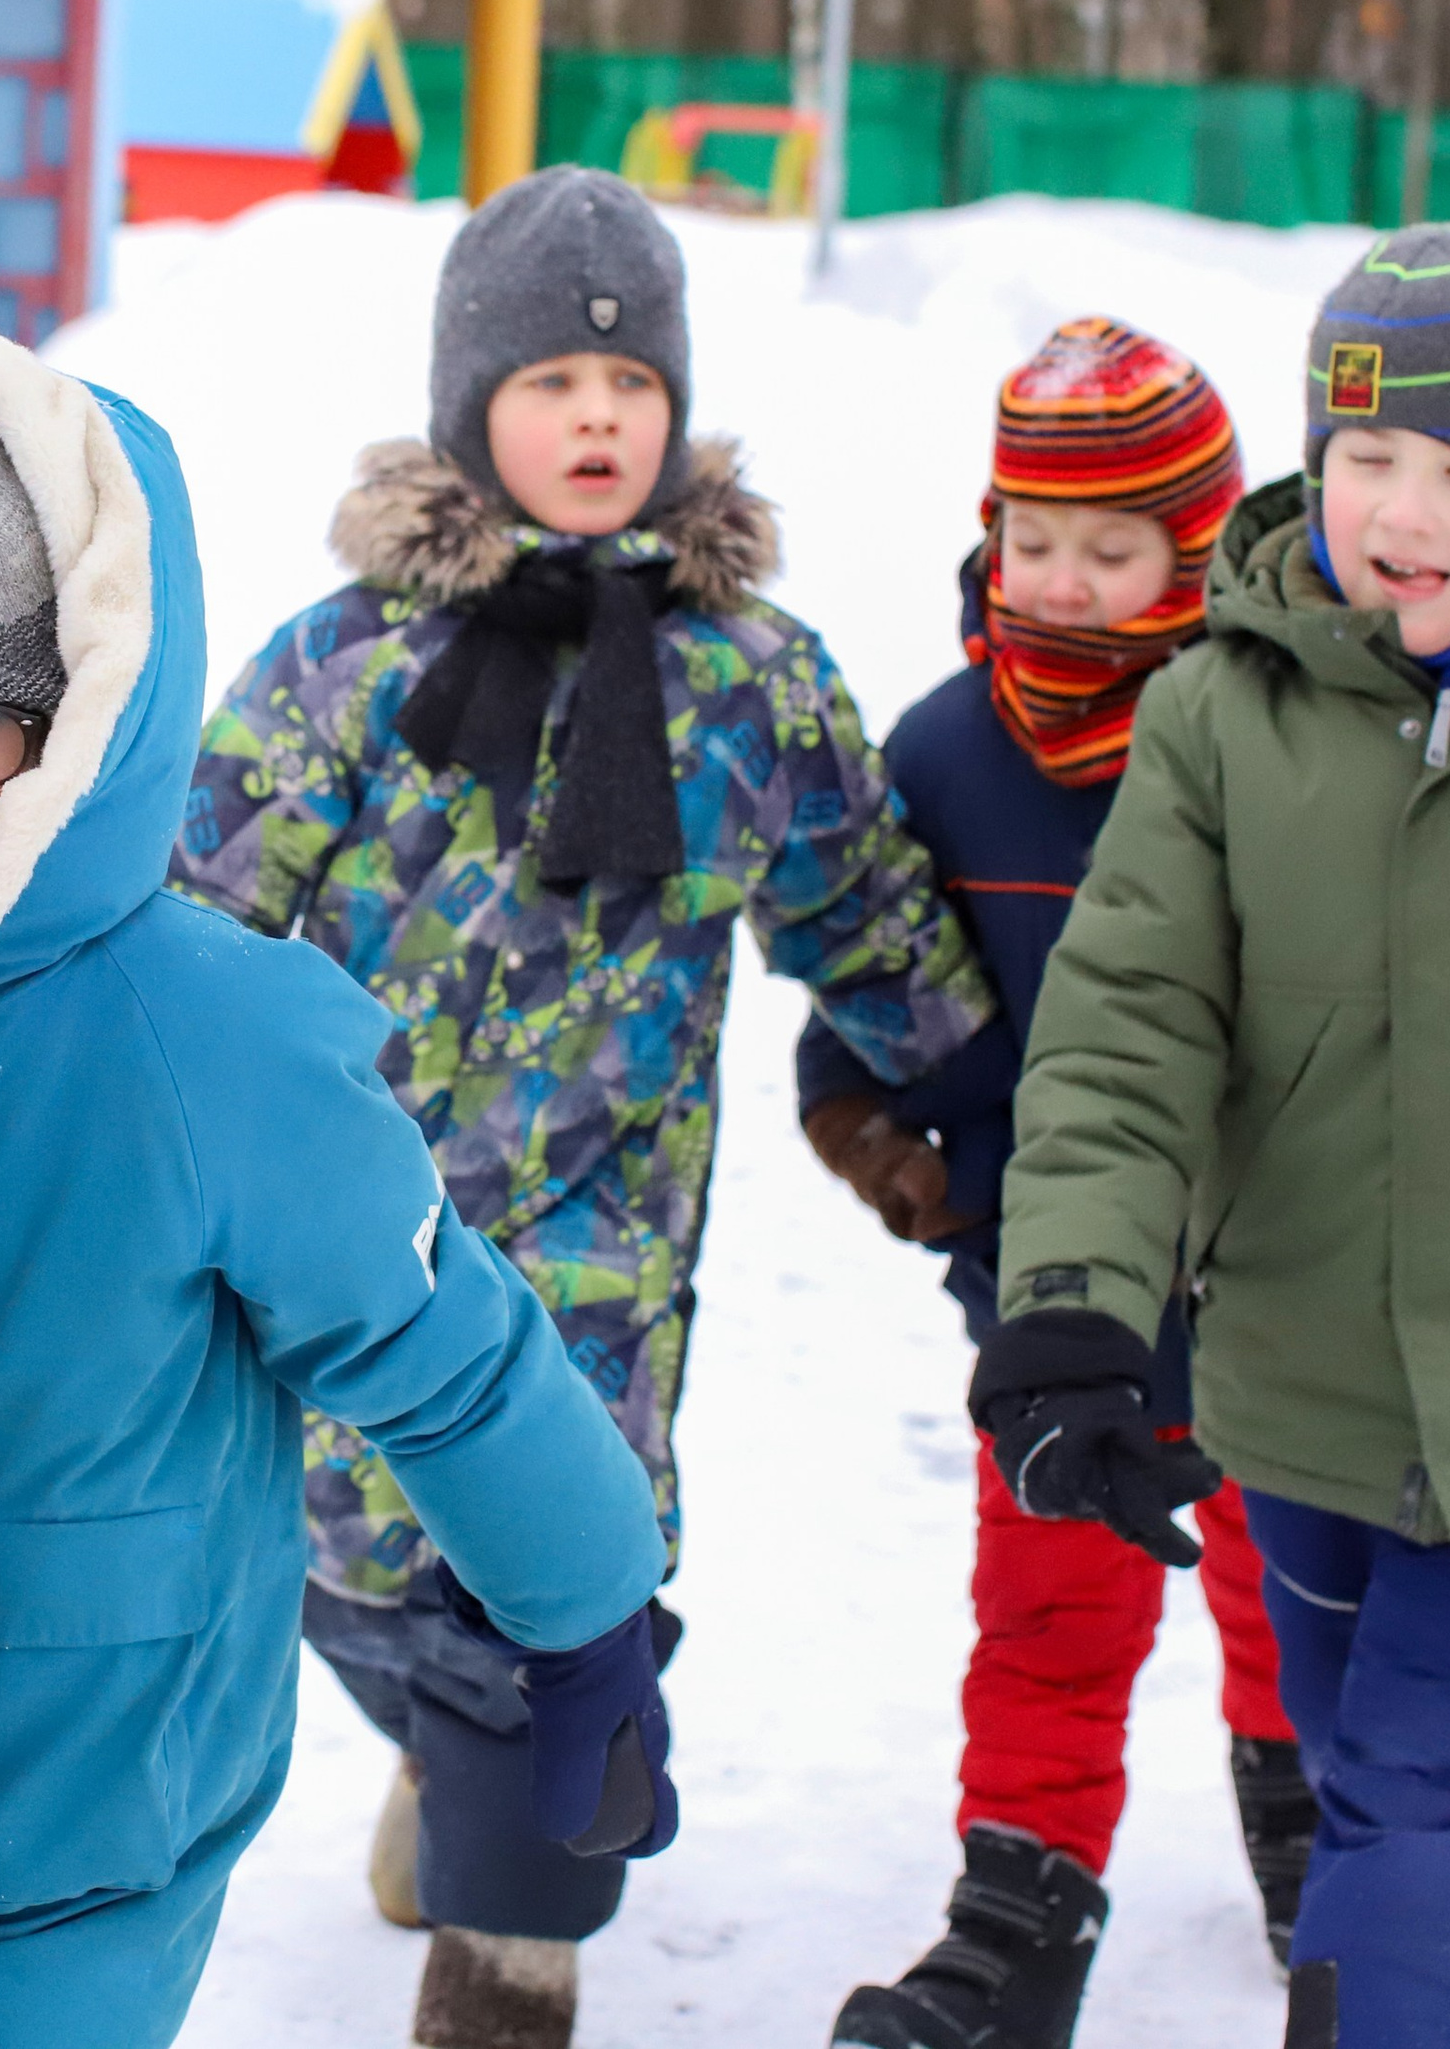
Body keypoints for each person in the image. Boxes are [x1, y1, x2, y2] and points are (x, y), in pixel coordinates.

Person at [0, 323, 677, 2049]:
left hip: (102, 1806)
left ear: (85, 714)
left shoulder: (215, 1036)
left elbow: (449, 1354)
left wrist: (584, 1622)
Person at [170, 165, 996, 2049]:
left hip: (603, 1267)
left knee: (549, 1621)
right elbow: (200, 924)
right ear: (475, 407)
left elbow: (870, 919)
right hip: (351, 1252)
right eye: (554, 384)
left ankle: (505, 1973)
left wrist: (976, 1086)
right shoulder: (348, 665)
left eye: (632, 388)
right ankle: (448, 1787)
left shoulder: (748, 685)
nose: (599, 419)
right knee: (354, 1582)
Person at [795, 319, 1306, 2049]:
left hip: (1274, 1284)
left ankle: (1317, 1841)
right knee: (1048, 1609)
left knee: (1288, 1578)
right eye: (1034, 542)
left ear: (1193, 544)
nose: (1065, 586)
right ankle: (1021, 1902)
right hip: (1054, 1297)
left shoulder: (1274, 740)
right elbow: (871, 996)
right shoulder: (947, 753)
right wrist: (895, 1154)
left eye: (1113, 550)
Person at [973, 227, 1450, 2049]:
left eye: (1449, 466)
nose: (1402, 509)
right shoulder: (1220, 716)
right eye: (1368, 461)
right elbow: (1124, 1027)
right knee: (1356, 1772)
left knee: (1405, 1838)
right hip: (1305, 1410)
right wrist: (1078, 1310)